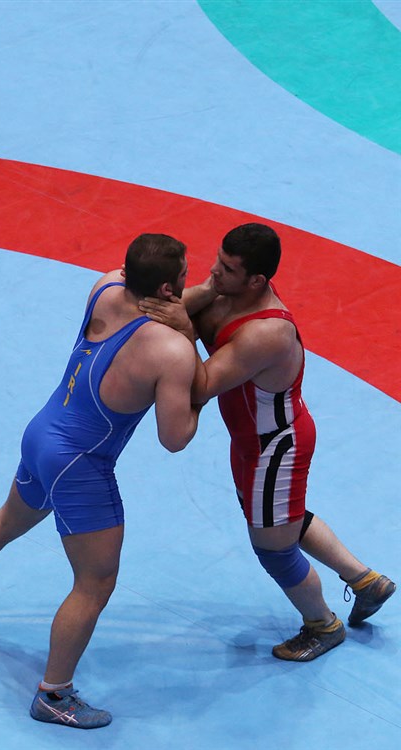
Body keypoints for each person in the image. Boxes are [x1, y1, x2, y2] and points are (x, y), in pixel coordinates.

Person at [0, 234, 202, 730]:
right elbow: (175, 438)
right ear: (169, 289)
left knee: (7, 520)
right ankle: (54, 694)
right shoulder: (172, 351)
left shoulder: (104, 287)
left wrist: (193, 300)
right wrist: (198, 372)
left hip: (43, 434)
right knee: (95, 582)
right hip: (81, 465)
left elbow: (152, 296)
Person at [139, 222, 394, 662]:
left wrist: (183, 328)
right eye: (218, 261)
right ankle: (365, 580)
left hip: (276, 446)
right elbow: (182, 307)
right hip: (251, 441)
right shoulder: (227, 291)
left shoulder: (267, 332)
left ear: (256, 280)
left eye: (227, 269)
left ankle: (323, 625)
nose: (214, 273)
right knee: (279, 520)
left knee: (273, 548)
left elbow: (201, 384)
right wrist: (179, 312)